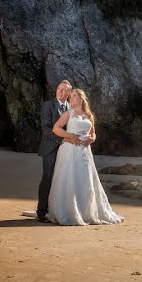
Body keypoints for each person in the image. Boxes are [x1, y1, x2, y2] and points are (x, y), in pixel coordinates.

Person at [47, 88, 124, 225]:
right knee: (69, 179)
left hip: (84, 152)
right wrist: (70, 135)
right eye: (70, 97)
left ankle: (86, 211)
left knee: (85, 180)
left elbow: (93, 134)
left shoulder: (89, 115)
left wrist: (91, 140)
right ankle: (68, 211)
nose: (71, 99)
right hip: (69, 150)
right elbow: (56, 128)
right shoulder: (67, 114)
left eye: (74, 96)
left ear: (81, 98)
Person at [35, 80, 85, 223]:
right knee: (48, 178)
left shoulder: (71, 108)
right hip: (50, 148)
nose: (60, 91)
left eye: (64, 90)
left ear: (69, 93)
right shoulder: (47, 105)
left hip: (67, 151)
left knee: (63, 179)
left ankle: (59, 209)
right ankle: (41, 211)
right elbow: (46, 130)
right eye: (59, 88)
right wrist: (64, 140)